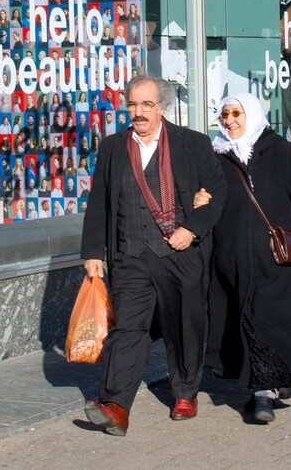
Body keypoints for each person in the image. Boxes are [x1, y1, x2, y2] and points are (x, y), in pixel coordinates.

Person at [81, 75, 227, 435]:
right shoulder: (113, 147)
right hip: (129, 255)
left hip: (179, 252)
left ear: (162, 107)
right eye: (132, 104)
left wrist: (192, 229)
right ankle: (116, 405)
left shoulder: (192, 143)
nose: (138, 112)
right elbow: (98, 202)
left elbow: (218, 192)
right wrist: (93, 252)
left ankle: (185, 392)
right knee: (127, 329)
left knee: (183, 326)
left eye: (146, 105)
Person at [196, 93, 291, 424]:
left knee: (269, 319)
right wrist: (198, 200)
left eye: (236, 113)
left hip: (275, 260)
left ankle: (265, 393)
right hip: (230, 260)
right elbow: (206, 203)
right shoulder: (216, 157)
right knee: (241, 321)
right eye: (223, 114)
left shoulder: (285, 154)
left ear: (253, 114)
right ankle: (257, 386)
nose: (229, 120)